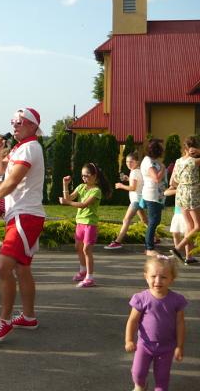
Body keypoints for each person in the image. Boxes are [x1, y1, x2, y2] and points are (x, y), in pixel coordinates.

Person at [0, 108, 45, 344]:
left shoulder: (30, 147)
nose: (14, 125)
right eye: (13, 121)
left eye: (19, 122)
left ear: (32, 125)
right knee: (22, 269)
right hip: (21, 214)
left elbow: (12, 181)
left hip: (24, 215)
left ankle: (5, 320)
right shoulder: (20, 148)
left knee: (3, 267)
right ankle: (28, 317)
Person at [125, 256, 186, 391]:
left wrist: (179, 346)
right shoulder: (141, 298)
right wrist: (129, 340)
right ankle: (140, 386)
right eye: (153, 276)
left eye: (163, 277)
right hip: (144, 345)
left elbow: (180, 324)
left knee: (162, 378)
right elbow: (132, 321)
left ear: (172, 279)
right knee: (138, 373)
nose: (158, 281)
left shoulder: (177, 300)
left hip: (166, 347)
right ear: (146, 277)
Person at [59, 163, 111, 288]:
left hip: (90, 224)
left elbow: (83, 205)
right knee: (78, 247)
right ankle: (83, 271)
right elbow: (69, 197)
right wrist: (65, 184)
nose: (84, 178)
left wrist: (67, 202)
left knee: (87, 249)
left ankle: (90, 277)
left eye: (87, 176)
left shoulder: (96, 191)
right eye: (82, 176)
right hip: (80, 223)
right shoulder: (81, 187)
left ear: (94, 176)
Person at [106, 152, 147, 250]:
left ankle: (117, 241)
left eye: (131, 162)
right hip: (139, 199)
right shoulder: (138, 171)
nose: (129, 164)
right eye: (127, 162)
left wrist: (121, 186)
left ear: (137, 162)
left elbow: (133, 188)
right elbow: (138, 183)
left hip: (136, 200)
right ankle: (155, 238)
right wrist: (128, 179)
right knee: (145, 220)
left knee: (126, 220)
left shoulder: (134, 172)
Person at [169, 136, 200, 263]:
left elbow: (173, 182)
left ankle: (189, 257)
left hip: (180, 193)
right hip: (192, 193)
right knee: (197, 226)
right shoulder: (194, 161)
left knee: (189, 225)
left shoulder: (178, 161)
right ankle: (178, 248)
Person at [140, 139, 167, 255]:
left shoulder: (152, 161)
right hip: (152, 195)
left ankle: (150, 245)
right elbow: (156, 178)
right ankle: (149, 248)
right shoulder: (148, 162)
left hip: (157, 195)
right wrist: (163, 168)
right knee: (153, 221)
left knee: (155, 221)